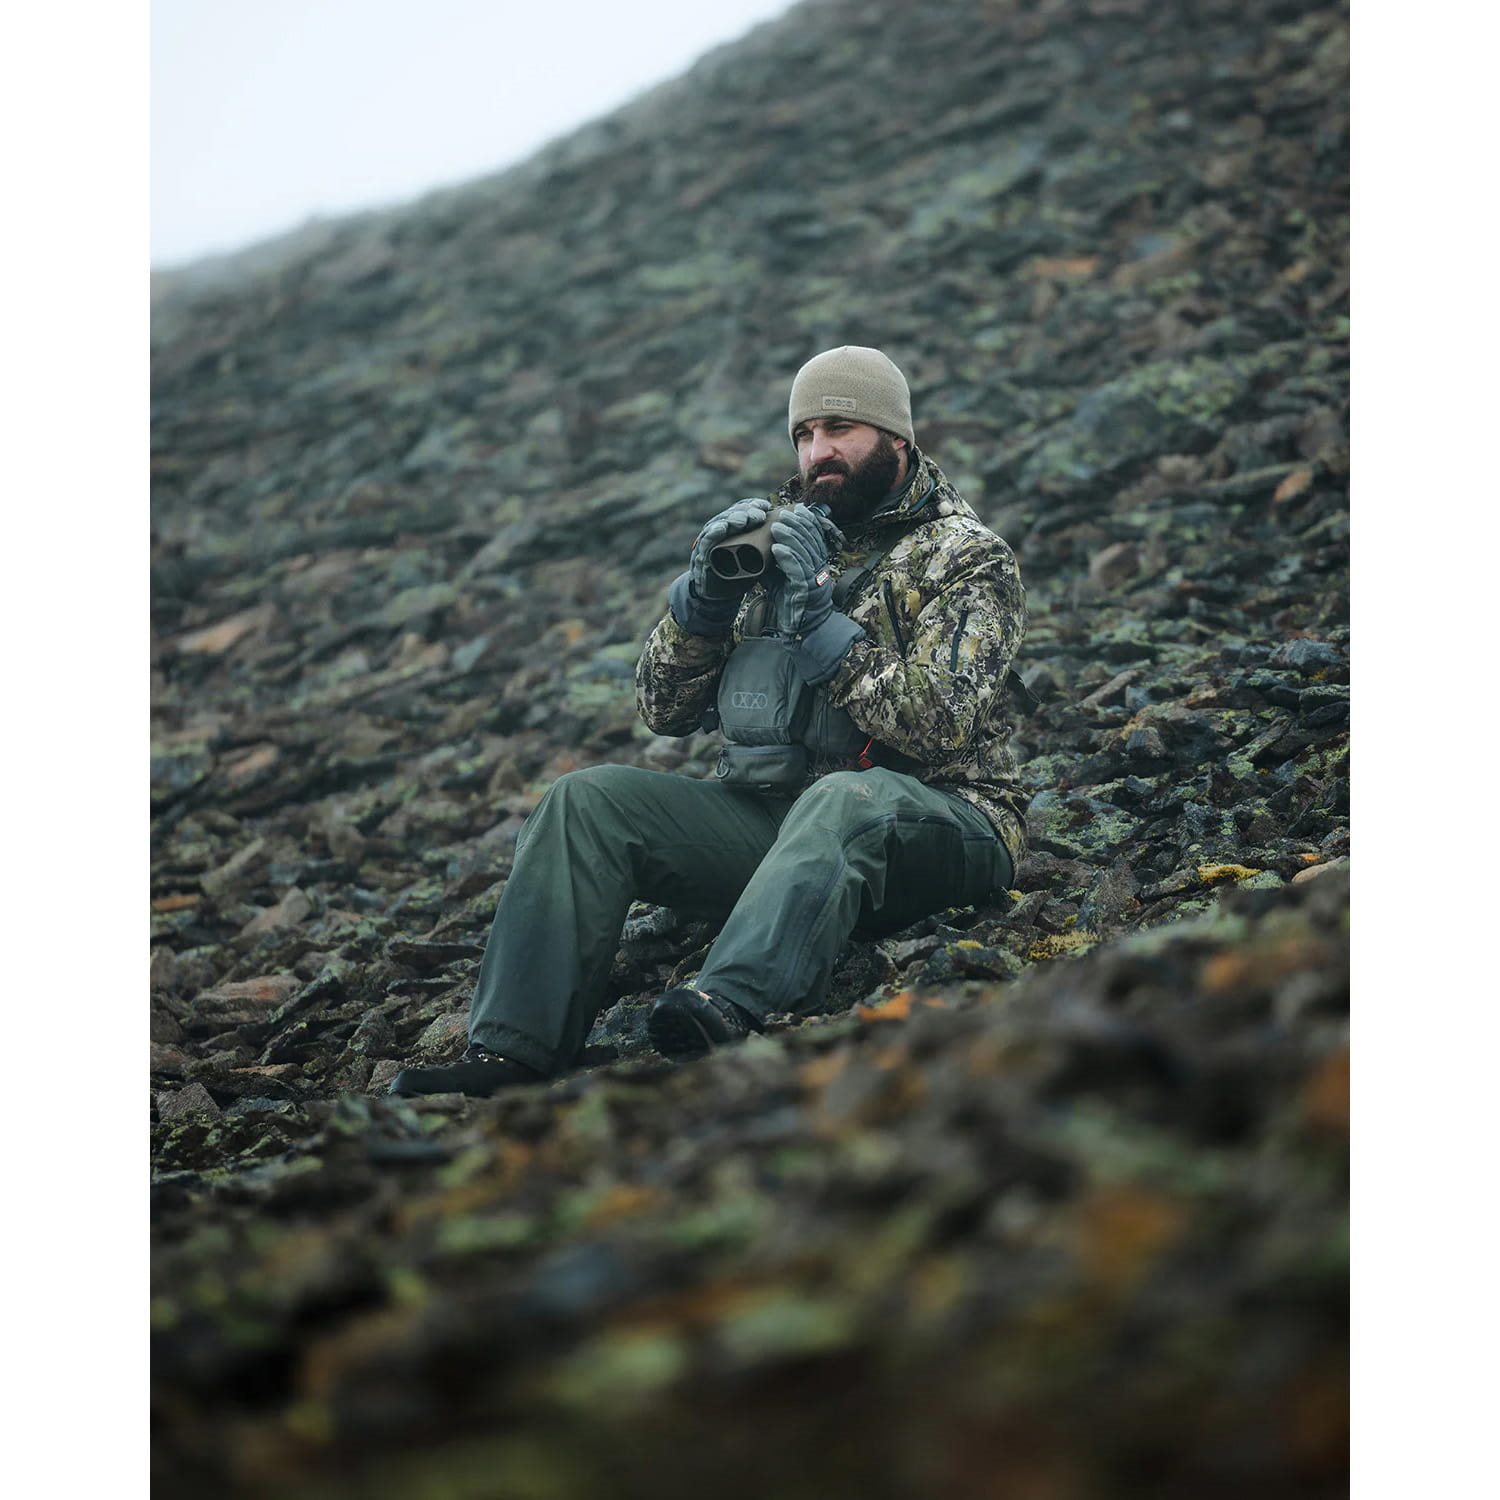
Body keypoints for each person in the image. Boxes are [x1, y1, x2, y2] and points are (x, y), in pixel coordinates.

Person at [391, 346, 1029, 1097]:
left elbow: (940, 721)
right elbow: (662, 710)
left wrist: (821, 627)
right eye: (804, 435)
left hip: (945, 823)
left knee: (843, 800)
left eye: (839, 429)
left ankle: (727, 1002)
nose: (817, 452)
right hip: (782, 825)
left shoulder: (967, 558)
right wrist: (702, 606)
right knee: (585, 802)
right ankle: (509, 1052)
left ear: (896, 438)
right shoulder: (770, 547)